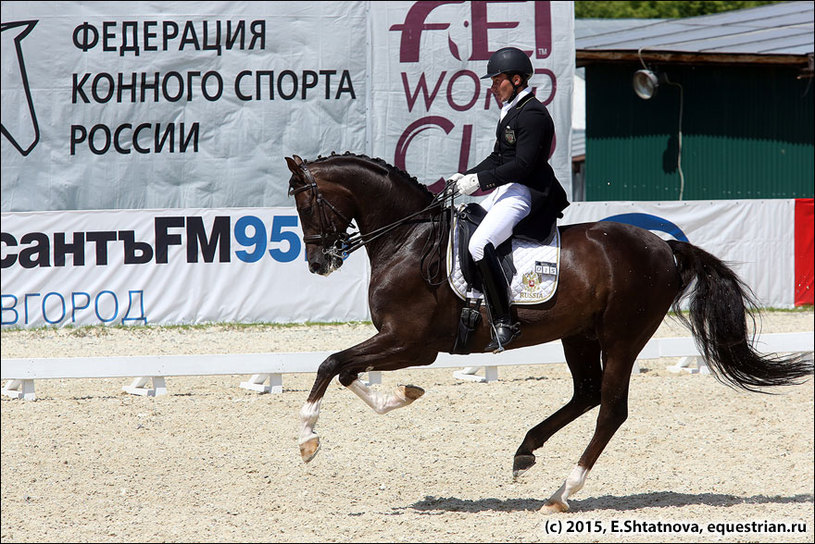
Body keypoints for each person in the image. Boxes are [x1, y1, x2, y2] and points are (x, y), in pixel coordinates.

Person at [448, 46, 570, 353]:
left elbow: (524, 165)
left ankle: (504, 322)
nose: (491, 86)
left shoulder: (533, 114)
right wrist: (465, 176)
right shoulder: (512, 110)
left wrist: (481, 181)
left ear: (516, 79)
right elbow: (498, 157)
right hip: (507, 188)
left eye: (496, 80)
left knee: (479, 244)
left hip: (526, 191)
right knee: (464, 219)